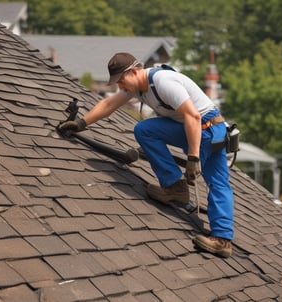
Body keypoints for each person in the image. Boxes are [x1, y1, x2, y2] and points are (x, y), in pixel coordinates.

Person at [58, 52, 234, 258]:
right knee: (145, 130)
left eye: (121, 80)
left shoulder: (163, 82)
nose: (119, 86)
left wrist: (193, 159)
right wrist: (80, 123)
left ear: (134, 71)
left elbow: (193, 115)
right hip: (189, 127)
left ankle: (222, 240)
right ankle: (174, 187)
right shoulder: (138, 86)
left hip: (207, 128)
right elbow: (108, 104)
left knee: (217, 181)